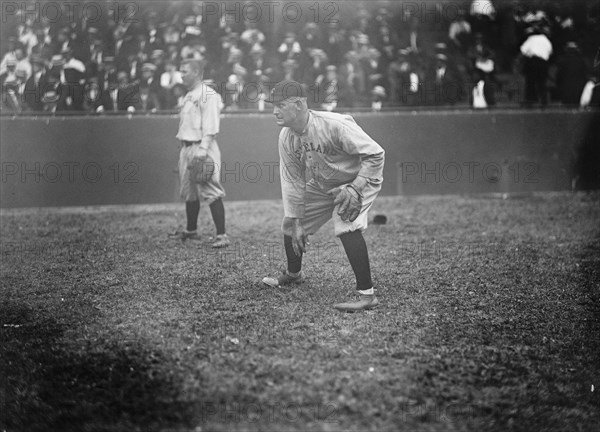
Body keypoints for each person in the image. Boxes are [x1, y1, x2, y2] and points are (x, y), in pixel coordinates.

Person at [262, 80, 385, 312]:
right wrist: (298, 220)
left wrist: (355, 187)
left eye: (280, 105)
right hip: (324, 184)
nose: (274, 110)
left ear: (298, 104)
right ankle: (294, 274)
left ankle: (367, 295)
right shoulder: (286, 136)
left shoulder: (334, 124)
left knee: (345, 222)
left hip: (359, 179)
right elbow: (292, 180)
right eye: (273, 105)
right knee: (290, 222)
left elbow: (376, 155)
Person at [169, 59, 230, 248]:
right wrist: (185, 153)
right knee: (189, 191)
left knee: (211, 189)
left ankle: (222, 235)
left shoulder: (208, 94)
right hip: (187, 146)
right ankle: (191, 230)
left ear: (196, 72)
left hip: (201, 146)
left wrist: (203, 150)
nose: (181, 75)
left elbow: (211, 126)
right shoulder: (189, 95)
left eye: (185, 71)